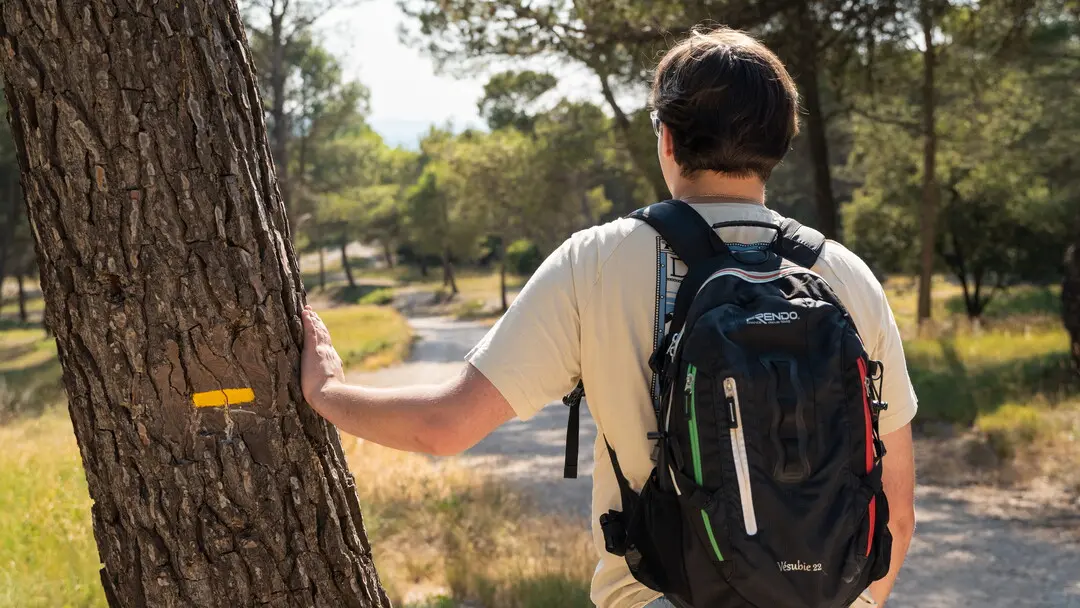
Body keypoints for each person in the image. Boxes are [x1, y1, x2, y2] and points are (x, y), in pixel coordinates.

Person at [299, 26, 917, 608]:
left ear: (668, 139)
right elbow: (896, 509)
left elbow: (444, 427)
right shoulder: (845, 276)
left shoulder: (596, 260)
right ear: (781, 142)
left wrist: (328, 393)